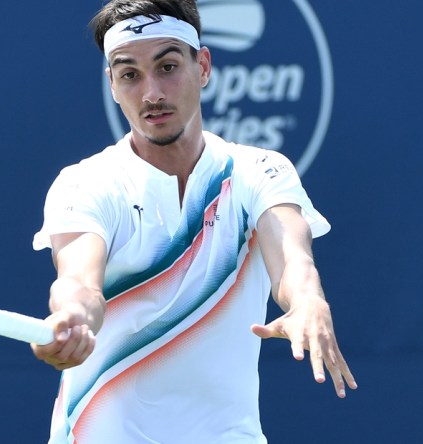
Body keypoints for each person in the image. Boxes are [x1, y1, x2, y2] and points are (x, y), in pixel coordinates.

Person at [31, 0, 357, 442]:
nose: (151, 94)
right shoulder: (85, 184)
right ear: (112, 84)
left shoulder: (259, 171)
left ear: (202, 66)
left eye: (167, 66)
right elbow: (79, 283)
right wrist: (72, 317)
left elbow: (293, 263)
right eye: (129, 74)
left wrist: (308, 302)